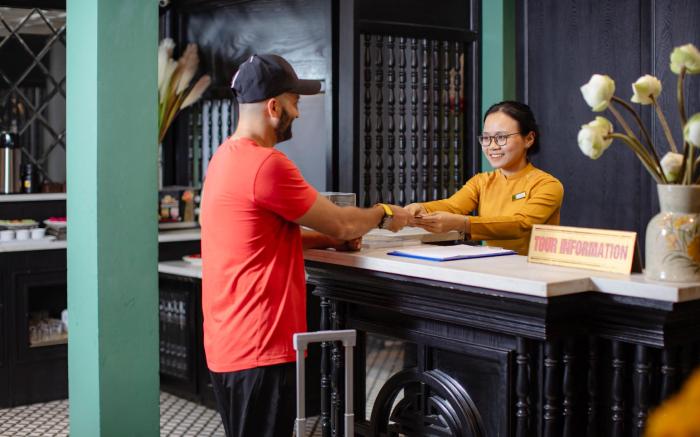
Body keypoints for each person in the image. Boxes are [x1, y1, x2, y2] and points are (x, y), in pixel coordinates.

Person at [199, 53, 410, 437]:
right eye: (295, 101)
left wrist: (328, 240)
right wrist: (383, 213)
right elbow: (343, 221)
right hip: (260, 345)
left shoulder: (224, 159)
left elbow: (261, 239)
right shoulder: (267, 165)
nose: (297, 112)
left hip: (228, 341)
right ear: (273, 106)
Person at [405, 101, 564, 255]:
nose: (492, 146)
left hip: (535, 268)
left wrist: (464, 224)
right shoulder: (481, 181)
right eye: (487, 138)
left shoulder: (547, 185)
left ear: (529, 139)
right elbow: (452, 206)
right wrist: (421, 208)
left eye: (501, 137)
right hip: (491, 265)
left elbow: (520, 224)